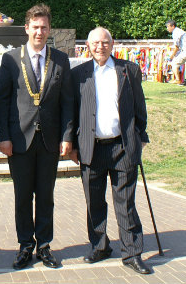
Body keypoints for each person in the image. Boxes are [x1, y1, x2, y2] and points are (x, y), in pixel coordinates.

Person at [0, 4, 74, 270]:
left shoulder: (61, 60)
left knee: (46, 196)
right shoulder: (10, 59)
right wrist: (3, 137)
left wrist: (67, 135)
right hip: (19, 139)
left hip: (50, 140)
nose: (39, 32)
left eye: (44, 27)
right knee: (22, 196)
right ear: (26, 28)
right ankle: (25, 246)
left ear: (49, 29)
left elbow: (67, 102)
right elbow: (3, 101)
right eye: (35, 27)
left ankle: (45, 246)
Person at [69, 27, 153, 275]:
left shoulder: (128, 70)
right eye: (95, 43)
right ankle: (99, 246)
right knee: (94, 201)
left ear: (112, 43)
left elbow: (140, 107)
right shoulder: (78, 75)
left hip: (122, 146)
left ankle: (132, 252)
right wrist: (72, 144)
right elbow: (73, 112)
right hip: (90, 148)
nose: (100, 47)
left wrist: (141, 138)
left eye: (105, 42)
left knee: (125, 202)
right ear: (88, 45)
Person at [165, 20, 186, 84]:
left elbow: (176, 47)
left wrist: (171, 56)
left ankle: (177, 79)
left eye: (168, 26)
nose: (167, 28)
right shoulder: (179, 31)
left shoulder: (175, 33)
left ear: (173, 26)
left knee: (174, 63)